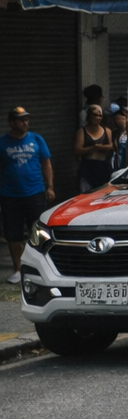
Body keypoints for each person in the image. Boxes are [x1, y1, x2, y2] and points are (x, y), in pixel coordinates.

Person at [3, 107, 54, 285]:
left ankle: (41, 267)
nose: (25, 122)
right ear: (12, 122)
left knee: (38, 231)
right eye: (21, 120)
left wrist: (50, 187)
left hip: (35, 193)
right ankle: (18, 269)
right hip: (10, 195)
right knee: (13, 234)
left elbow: (46, 163)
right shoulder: (3, 143)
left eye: (27, 119)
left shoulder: (36, 139)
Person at [74, 104, 115, 192]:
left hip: (103, 167)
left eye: (100, 116)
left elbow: (111, 147)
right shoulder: (82, 131)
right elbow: (78, 150)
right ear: (89, 115)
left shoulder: (107, 131)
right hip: (87, 167)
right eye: (95, 115)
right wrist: (93, 147)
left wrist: (100, 147)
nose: (97, 118)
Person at [110, 105, 128, 169]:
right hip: (115, 163)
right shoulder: (113, 133)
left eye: (122, 119)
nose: (120, 122)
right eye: (117, 119)